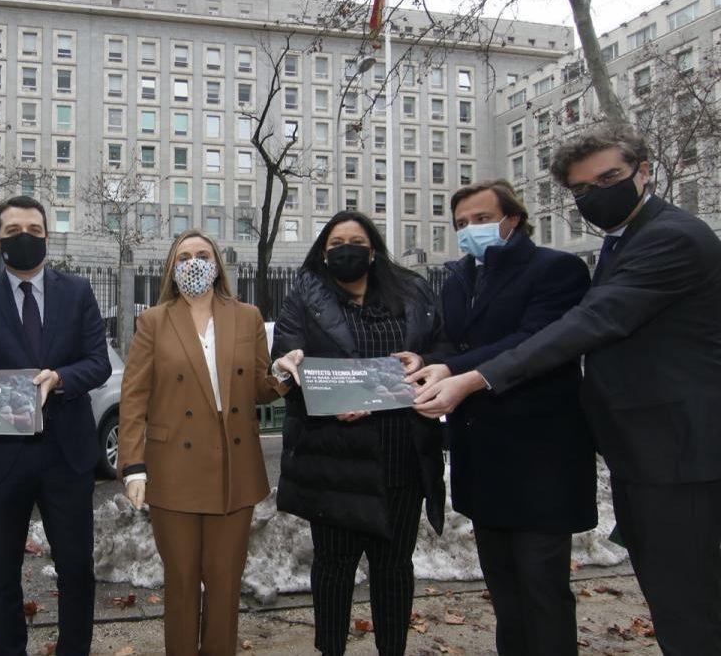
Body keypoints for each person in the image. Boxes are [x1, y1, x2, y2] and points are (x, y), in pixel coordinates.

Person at [412, 124, 721, 655]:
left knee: (687, 603)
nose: (593, 195)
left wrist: (474, 376)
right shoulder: (623, 241)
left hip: (678, 450)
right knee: (673, 596)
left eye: (609, 178)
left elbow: (590, 322)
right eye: (580, 189)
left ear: (643, 173)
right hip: (646, 449)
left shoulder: (671, 236)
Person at [405, 180, 596, 655]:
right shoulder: (458, 279)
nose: (471, 230)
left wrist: (453, 368)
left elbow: (535, 341)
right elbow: (454, 343)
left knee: (542, 591)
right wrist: (425, 359)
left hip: (541, 463)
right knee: (506, 594)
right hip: (483, 461)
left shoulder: (558, 270)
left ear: (513, 217)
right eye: (462, 224)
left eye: (482, 219)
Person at [270, 211, 446, 656]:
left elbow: (446, 348)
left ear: (373, 249)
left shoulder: (412, 291)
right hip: (335, 460)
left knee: (393, 568)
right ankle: (330, 650)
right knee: (333, 568)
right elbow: (286, 369)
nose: (345, 249)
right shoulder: (304, 297)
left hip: (402, 457)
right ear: (323, 253)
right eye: (335, 243)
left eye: (356, 241)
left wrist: (424, 361)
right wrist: (314, 394)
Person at [0, 196, 111, 655]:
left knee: (77, 568)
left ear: (48, 238)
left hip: (67, 454)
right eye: (14, 230)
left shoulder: (76, 291)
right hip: (1, 458)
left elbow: (97, 361)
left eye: (35, 230)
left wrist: (60, 379)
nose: (26, 238)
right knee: (1, 573)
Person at [117, 229, 286, 656]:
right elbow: (134, 397)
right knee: (182, 583)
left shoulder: (247, 316)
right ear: (173, 268)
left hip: (235, 469)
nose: (194, 261)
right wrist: (133, 464)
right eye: (185, 255)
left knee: (226, 585)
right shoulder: (152, 321)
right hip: (174, 470)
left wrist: (283, 375)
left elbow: (259, 389)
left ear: (217, 264)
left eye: (203, 254)